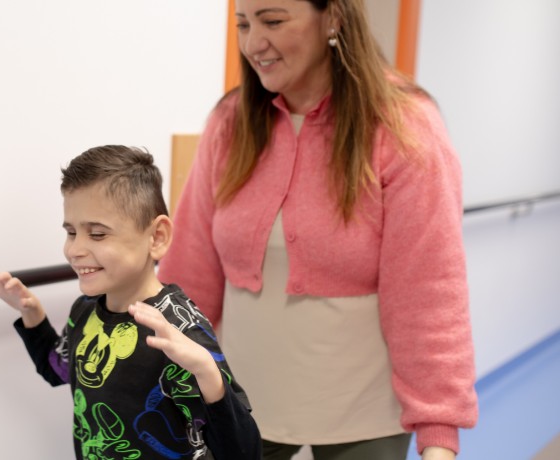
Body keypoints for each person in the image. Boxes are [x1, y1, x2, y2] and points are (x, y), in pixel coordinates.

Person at [157, 1, 478, 460]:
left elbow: (429, 294)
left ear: (333, 18)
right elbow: (191, 271)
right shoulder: (231, 121)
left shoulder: (404, 124)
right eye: (243, 24)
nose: (253, 44)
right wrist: (158, 379)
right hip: (238, 402)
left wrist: (439, 431)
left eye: (273, 21)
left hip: (364, 413)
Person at [0, 145, 262, 459]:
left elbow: (242, 453)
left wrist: (208, 372)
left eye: (97, 234)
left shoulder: (179, 330)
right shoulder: (85, 309)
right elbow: (57, 370)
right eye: (71, 232)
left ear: (156, 237)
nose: (74, 250)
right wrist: (31, 313)